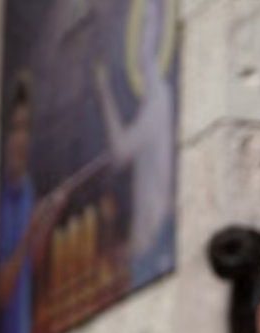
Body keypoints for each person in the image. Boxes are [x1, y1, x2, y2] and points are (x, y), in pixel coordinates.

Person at [94, 0, 175, 289]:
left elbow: (120, 151)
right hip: (143, 253)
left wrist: (103, 90)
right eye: (140, 28)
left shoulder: (160, 100)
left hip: (153, 250)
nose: (142, 37)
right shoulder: (152, 98)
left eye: (149, 26)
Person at [0, 75, 64, 333]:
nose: (21, 140)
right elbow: (1, 292)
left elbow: (31, 264)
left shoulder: (27, 189)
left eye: (25, 128)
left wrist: (49, 218)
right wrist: (28, 231)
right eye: (14, 129)